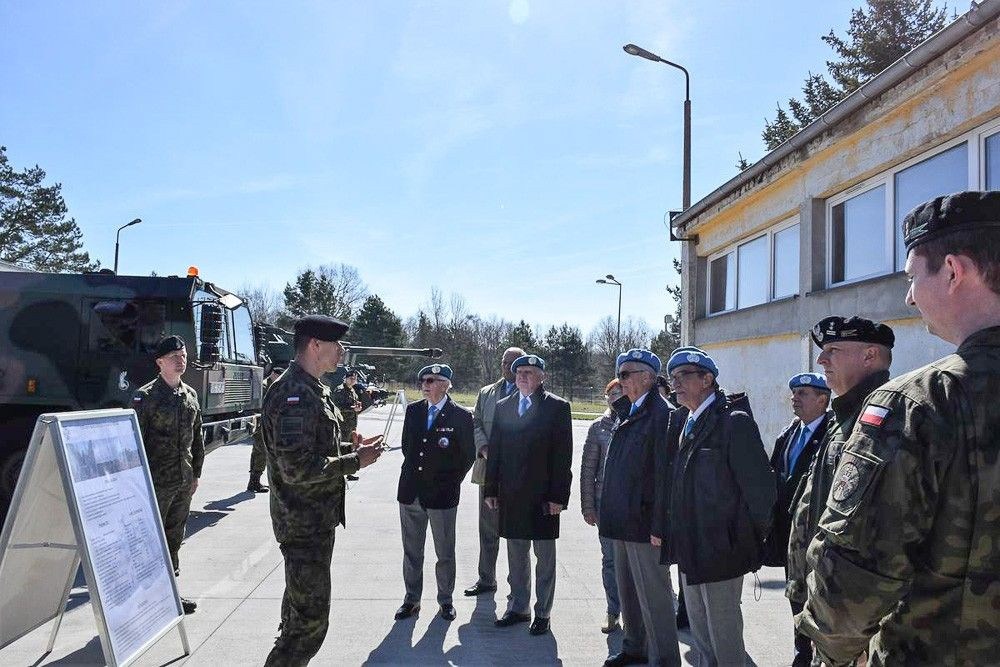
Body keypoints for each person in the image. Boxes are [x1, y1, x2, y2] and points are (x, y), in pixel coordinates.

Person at [798, 191, 1000, 665]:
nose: (909, 296)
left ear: (953, 271)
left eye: (913, 277)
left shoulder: (920, 403)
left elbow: (852, 582)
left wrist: (831, 649)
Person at [261, 315, 384, 666]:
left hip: (314, 521)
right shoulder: (294, 394)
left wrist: (348, 447)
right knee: (309, 626)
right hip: (302, 524)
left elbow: (310, 449)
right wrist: (354, 462)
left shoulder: (312, 388)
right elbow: (295, 468)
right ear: (315, 345)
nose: (342, 352)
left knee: (297, 620)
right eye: (337, 344)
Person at [656, 348, 774, 666]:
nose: (675, 383)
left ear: (707, 379)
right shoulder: (685, 422)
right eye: (672, 377)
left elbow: (762, 494)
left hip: (722, 551)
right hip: (691, 548)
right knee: (701, 635)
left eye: (683, 376)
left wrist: (740, 540)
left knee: (724, 638)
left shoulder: (733, 424)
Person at [785, 316, 894, 625]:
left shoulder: (885, 421)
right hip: (816, 592)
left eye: (832, 349)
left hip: (848, 610)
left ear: (869, 355)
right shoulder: (843, 417)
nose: (821, 359)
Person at [601, 350, 681, 667]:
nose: (620, 380)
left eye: (627, 374)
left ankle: (664, 658)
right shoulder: (630, 411)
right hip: (622, 521)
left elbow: (664, 477)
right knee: (629, 591)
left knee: (655, 597)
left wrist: (659, 525)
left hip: (645, 523)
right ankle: (635, 647)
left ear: (647, 377)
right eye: (619, 373)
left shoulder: (662, 415)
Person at [484, 354, 572, 636]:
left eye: (530, 372)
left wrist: (559, 497)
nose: (523, 376)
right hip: (511, 496)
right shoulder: (503, 406)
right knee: (516, 555)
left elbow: (562, 457)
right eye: (519, 371)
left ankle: (543, 612)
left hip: (544, 498)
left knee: (544, 557)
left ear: (542, 377)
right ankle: (518, 607)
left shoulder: (557, 408)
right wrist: (491, 489)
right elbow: (495, 453)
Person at [394, 364, 475, 622]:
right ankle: (411, 599)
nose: (424, 385)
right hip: (411, 493)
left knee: (445, 552)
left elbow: (467, 456)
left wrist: (449, 482)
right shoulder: (414, 411)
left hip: (442, 496)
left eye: (430, 380)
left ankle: (446, 601)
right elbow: (408, 447)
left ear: (445, 384)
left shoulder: (461, 416)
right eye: (423, 381)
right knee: (412, 551)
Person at [761, 373, 832, 667]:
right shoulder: (789, 433)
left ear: (823, 399)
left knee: (819, 599)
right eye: (794, 393)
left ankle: (819, 654)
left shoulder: (832, 434)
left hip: (816, 534)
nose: (795, 398)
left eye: (803, 393)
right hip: (790, 535)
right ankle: (802, 651)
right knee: (795, 594)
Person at [133, 335, 203, 615]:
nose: (180, 360)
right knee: (150, 540)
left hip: (183, 482)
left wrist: (196, 473)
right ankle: (143, 599)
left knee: (174, 538)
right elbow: (134, 441)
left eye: (183, 355)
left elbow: (197, 438)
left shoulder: (191, 396)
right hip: (154, 483)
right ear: (159, 362)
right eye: (174, 356)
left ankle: (169, 594)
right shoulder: (145, 397)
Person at [464, 346, 524, 597]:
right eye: (503, 361)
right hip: (489, 470)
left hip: (518, 474)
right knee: (487, 529)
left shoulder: (528, 393)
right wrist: (484, 447)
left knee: (515, 532)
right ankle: (486, 579)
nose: (505, 366)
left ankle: (517, 586)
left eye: (511, 362)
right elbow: (476, 421)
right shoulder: (486, 393)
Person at [581, 378, 623, 634]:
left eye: (620, 392)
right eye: (611, 394)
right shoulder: (599, 427)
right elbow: (588, 469)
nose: (616, 397)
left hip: (629, 507)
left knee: (631, 563)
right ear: (605, 397)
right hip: (603, 504)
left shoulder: (635, 421)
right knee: (610, 561)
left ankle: (636, 613)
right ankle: (612, 611)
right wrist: (588, 506)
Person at [248, 363, 285, 493]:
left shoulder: (275, 386)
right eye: (279, 376)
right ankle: (254, 481)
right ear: (274, 374)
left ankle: (255, 481)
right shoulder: (264, 386)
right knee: (260, 452)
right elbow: (260, 406)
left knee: (262, 452)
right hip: (261, 424)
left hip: (269, 424)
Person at [332, 369, 363, 481]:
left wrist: (357, 408)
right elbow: (337, 407)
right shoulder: (340, 390)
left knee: (351, 448)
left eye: (355, 378)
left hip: (351, 425)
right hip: (343, 425)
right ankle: (340, 472)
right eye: (351, 378)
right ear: (345, 378)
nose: (353, 380)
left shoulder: (352, 391)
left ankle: (349, 471)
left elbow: (354, 406)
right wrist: (352, 409)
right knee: (341, 448)